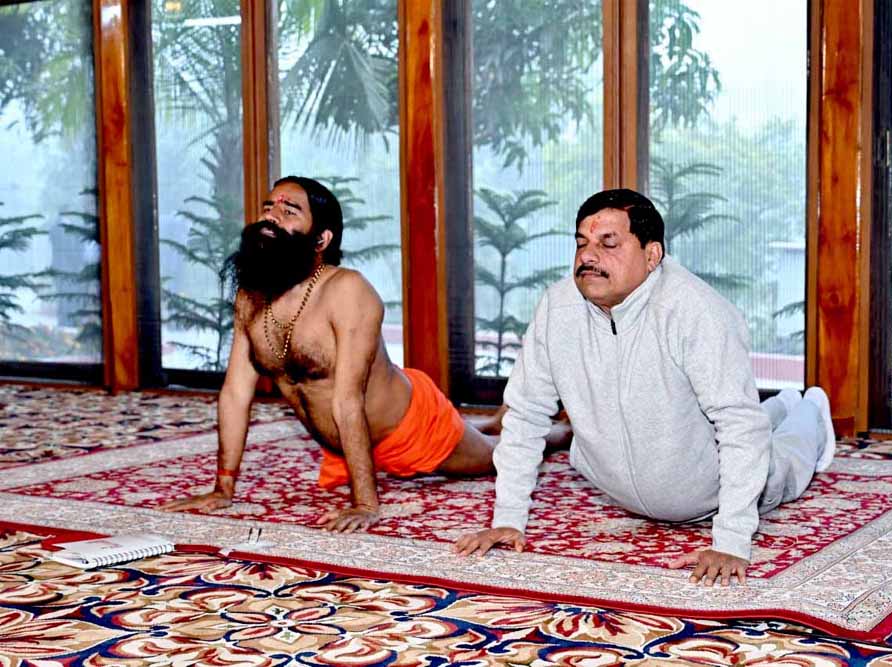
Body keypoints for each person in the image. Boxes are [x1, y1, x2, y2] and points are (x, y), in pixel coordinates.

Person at [454, 188, 836, 587]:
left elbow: (740, 424)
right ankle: (781, 404)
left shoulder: (697, 312)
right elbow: (526, 413)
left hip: (709, 487)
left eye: (608, 244)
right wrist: (508, 518)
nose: (588, 257)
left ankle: (809, 408)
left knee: (783, 456)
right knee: (745, 413)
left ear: (652, 256)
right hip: (634, 477)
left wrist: (732, 540)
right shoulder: (557, 308)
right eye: (582, 243)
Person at [163, 176, 568, 532]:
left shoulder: (347, 290)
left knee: (498, 457)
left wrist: (365, 503)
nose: (271, 216)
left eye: (289, 211)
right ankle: (492, 420)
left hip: (409, 425)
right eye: (268, 207)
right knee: (484, 434)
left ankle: (561, 432)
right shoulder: (251, 296)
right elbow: (235, 393)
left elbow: (348, 399)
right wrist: (223, 486)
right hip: (348, 438)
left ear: (321, 240)